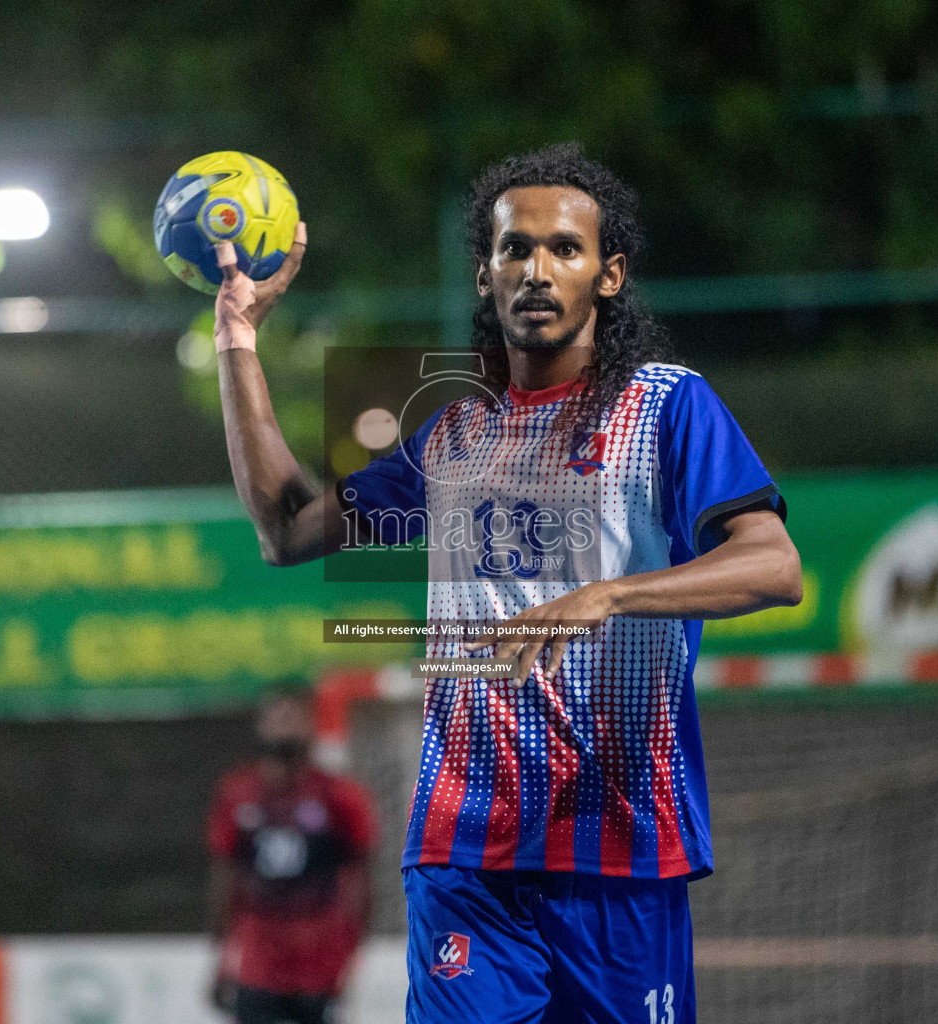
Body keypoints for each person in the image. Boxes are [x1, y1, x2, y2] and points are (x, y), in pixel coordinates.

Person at [210, 143, 802, 1024]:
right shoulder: (453, 435)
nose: (536, 268)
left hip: (622, 848)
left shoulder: (666, 406)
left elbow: (774, 564)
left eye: (565, 248)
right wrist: (237, 340)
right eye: (513, 249)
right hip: (466, 849)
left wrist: (605, 594)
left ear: (610, 274)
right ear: (485, 277)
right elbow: (288, 528)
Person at [206, 686, 378, 1024]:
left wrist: (354, 953)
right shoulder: (237, 793)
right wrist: (219, 957)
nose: (285, 726)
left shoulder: (341, 796)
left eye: (294, 717)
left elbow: (358, 879)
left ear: (311, 726)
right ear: (261, 727)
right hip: (257, 961)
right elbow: (225, 875)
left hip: (320, 960)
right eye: (277, 718)